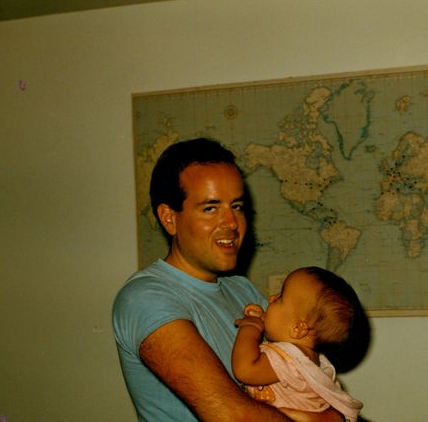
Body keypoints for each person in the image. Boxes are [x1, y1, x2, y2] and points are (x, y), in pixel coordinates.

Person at [112, 138, 344, 421]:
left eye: (236, 206)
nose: (232, 223)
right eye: (210, 208)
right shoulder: (145, 297)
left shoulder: (241, 289)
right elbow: (232, 416)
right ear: (169, 218)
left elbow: (302, 371)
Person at [232, 266, 365, 422]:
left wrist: (251, 327)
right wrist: (265, 319)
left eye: (280, 298)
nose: (271, 298)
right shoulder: (310, 360)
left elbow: (245, 370)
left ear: (298, 329)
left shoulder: (288, 359)